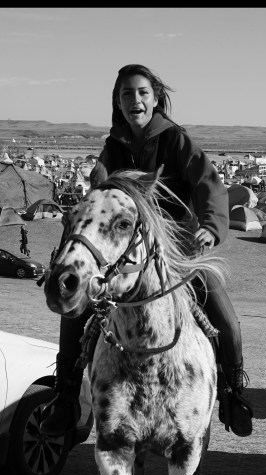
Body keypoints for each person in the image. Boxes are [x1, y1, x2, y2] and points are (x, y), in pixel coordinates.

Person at [40, 63, 252, 438]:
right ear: (117, 103)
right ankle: (66, 393)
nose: (134, 99)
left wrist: (210, 227)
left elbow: (208, 184)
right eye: (126, 94)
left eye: (141, 92)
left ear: (155, 99)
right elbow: (101, 186)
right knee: (77, 303)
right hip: (128, 250)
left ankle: (233, 392)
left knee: (224, 316)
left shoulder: (175, 140)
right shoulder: (114, 145)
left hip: (178, 247)